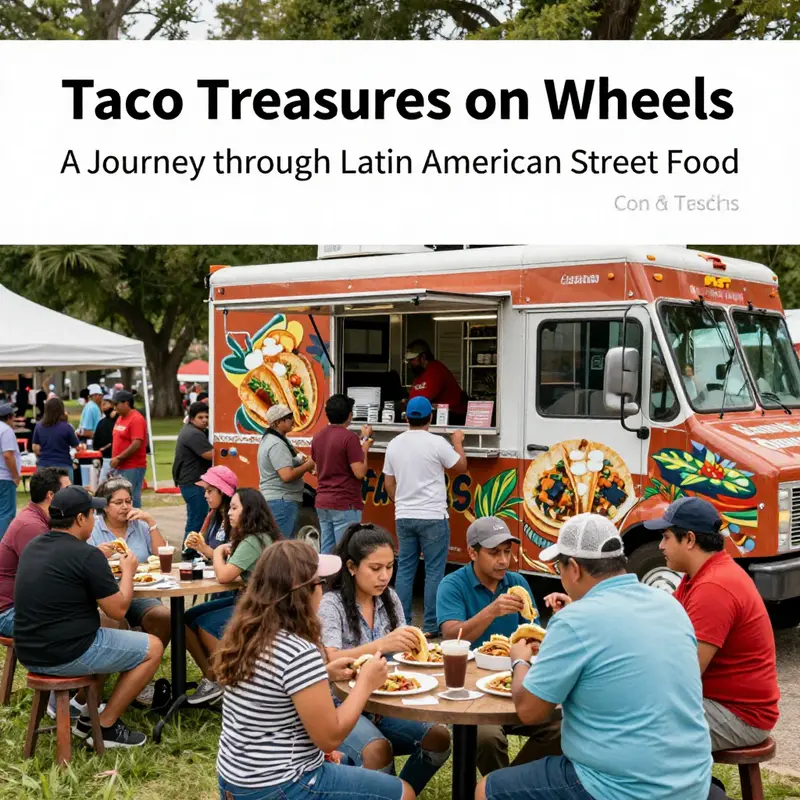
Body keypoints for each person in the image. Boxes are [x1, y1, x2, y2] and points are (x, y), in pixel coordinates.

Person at [476, 513, 713, 800]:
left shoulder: (576, 620)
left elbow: (530, 711)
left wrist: (520, 660)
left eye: (558, 567)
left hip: (620, 786)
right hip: (692, 780)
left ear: (574, 568)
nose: (559, 575)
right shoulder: (668, 603)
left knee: (486, 789)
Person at [214, 539, 414, 800]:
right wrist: (365, 683)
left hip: (234, 780)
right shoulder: (298, 652)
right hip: (282, 784)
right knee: (402, 793)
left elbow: (271, 700)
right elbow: (330, 738)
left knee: (348, 764)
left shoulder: (248, 635)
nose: (324, 590)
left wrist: (324, 673)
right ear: (303, 592)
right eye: (320, 583)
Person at [14, 486, 163, 748]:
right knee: (153, 646)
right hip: (65, 653)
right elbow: (117, 609)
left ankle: (86, 716)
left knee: (107, 630)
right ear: (80, 519)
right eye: (92, 514)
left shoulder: (34, 546)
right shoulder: (87, 554)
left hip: (29, 651)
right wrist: (128, 570)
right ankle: (105, 725)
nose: (94, 520)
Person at [318, 523, 451, 791]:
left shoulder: (389, 598)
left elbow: (405, 653)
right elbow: (332, 657)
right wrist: (381, 644)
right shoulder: (332, 603)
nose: (384, 576)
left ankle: (402, 792)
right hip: (340, 705)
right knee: (378, 750)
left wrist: (416, 649)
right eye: (375, 568)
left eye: (389, 567)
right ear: (352, 567)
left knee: (439, 738)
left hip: (385, 702)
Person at [647, 496, 780, 751]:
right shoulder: (700, 575)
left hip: (740, 716)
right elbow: (656, 620)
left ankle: (696, 790)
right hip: (718, 702)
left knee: (631, 729)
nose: (661, 546)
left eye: (666, 537)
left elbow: (685, 674)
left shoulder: (714, 587)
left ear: (689, 539)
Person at [437, 516, 559, 776]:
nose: (503, 560)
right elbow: (449, 638)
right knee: (485, 738)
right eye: (494, 553)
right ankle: (499, 788)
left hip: (515, 682)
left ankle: (508, 784)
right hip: (472, 691)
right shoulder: (452, 584)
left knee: (563, 727)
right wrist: (489, 612)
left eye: (507, 552)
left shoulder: (517, 582)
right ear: (472, 552)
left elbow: (534, 633)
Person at [185, 487, 282, 706]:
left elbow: (224, 575)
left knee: (205, 625)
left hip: (262, 607)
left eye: (235, 508)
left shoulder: (253, 541)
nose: (229, 512)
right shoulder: (260, 536)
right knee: (186, 618)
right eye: (230, 508)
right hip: (253, 599)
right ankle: (212, 677)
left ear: (250, 511)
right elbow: (245, 575)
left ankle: (231, 681)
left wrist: (218, 552)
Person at [383, 396, 466, 636]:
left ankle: (402, 624)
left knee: (406, 569)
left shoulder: (395, 443)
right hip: (433, 516)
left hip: (404, 516)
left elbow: (389, 484)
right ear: (430, 417)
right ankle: (431, 626)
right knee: (433, 572)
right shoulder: (437, 442)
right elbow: (460, 467)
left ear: (406, 417)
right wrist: (458, 443)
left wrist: (400, 502)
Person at [89, 478, 172, 647]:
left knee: (164, 617)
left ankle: (144, 666)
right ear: (105, 507)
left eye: (128, 501)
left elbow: (162, 554)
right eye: (118, 502)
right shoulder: (93, 528)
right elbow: (82, 564)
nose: (125, 506)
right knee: (110, 622)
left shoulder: (140, 524)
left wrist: (151, 522)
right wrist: (97, 553)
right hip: (107, 596)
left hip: (142, 594)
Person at [0, 467, 71, 637]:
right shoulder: (32, 526)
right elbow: (52, 577)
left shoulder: (38, 518)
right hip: (11, 613)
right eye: (68, 491)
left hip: (24, 606)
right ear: (51, 496)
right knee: (85, 620)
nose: (73, 495)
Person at [312, 394, 373, 554]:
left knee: (327, 550)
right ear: (349, 415)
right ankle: (341, 580)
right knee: (346, 552)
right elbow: (359, 472)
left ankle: (326, 579)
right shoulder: (349, 438)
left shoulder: (318, 437)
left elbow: (317, 470)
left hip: (323, 501)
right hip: (344, 503)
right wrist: (365, 449)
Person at [258, 403, 315, 537]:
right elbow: (286, 475)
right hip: (281, 502)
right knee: (282, 545)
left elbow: (295, 456)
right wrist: (309, 465)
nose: (293, 421)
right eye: (289, 417)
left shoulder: (275, 439)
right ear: (278, 422)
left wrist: (305, 463)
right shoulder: (276, 444)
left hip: (278, 501)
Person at [173, 401, 213, 552]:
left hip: (190, 481)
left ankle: (190, 550)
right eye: (200, 417)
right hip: (193, 483)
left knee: (195, 518)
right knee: (197, 519)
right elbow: (209, 455)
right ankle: (189, 552)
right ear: (191, 418)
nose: (204, 420)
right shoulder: (193, 434)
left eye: (207, 417)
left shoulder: (192, 430)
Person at [183, 465, 237, 559]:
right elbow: (208, 548)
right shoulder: (213, 515)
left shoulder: (237, 519)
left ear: (223, 492)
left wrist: (204, 548)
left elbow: (232, 560)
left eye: (209, 491)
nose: (205, 495)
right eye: (205, 491)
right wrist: (198, 544)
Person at [405, 339, 467, 420]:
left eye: (412, 360)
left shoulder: (436, 371)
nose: (409, 364)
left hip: (453, 416)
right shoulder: (420, 373)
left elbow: (420, 402)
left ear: (423, 357)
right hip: (437, 415)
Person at [110, 390, 148, 507]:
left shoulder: (136, 419)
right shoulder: (120, 418)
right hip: (120, 465)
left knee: (131, 497)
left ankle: (136, 522)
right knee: (122, 496)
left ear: (125, 403)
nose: (114, 408)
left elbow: (136, 443)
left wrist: (119, 458)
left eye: (116, 404)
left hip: (133, 465)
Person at [32, 396, 80, 471]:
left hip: (44, 466)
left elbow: (35, 448)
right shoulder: (67, 427)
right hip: (63, 466)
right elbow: (77, 447)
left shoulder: (39, 426)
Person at [0, 403, 21, 540]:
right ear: (9, 417)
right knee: (5, 514)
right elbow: (8, 455)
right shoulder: (6, 430)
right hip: (5, 477)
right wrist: (15, 476)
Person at [94, 395, 116, 483]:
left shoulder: (118, 420)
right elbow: (96, 440)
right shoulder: (101, 423)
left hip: (116, 457)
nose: (103, 406)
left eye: (105, 404)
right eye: (102, 405)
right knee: (102, 482)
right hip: (105, 458)